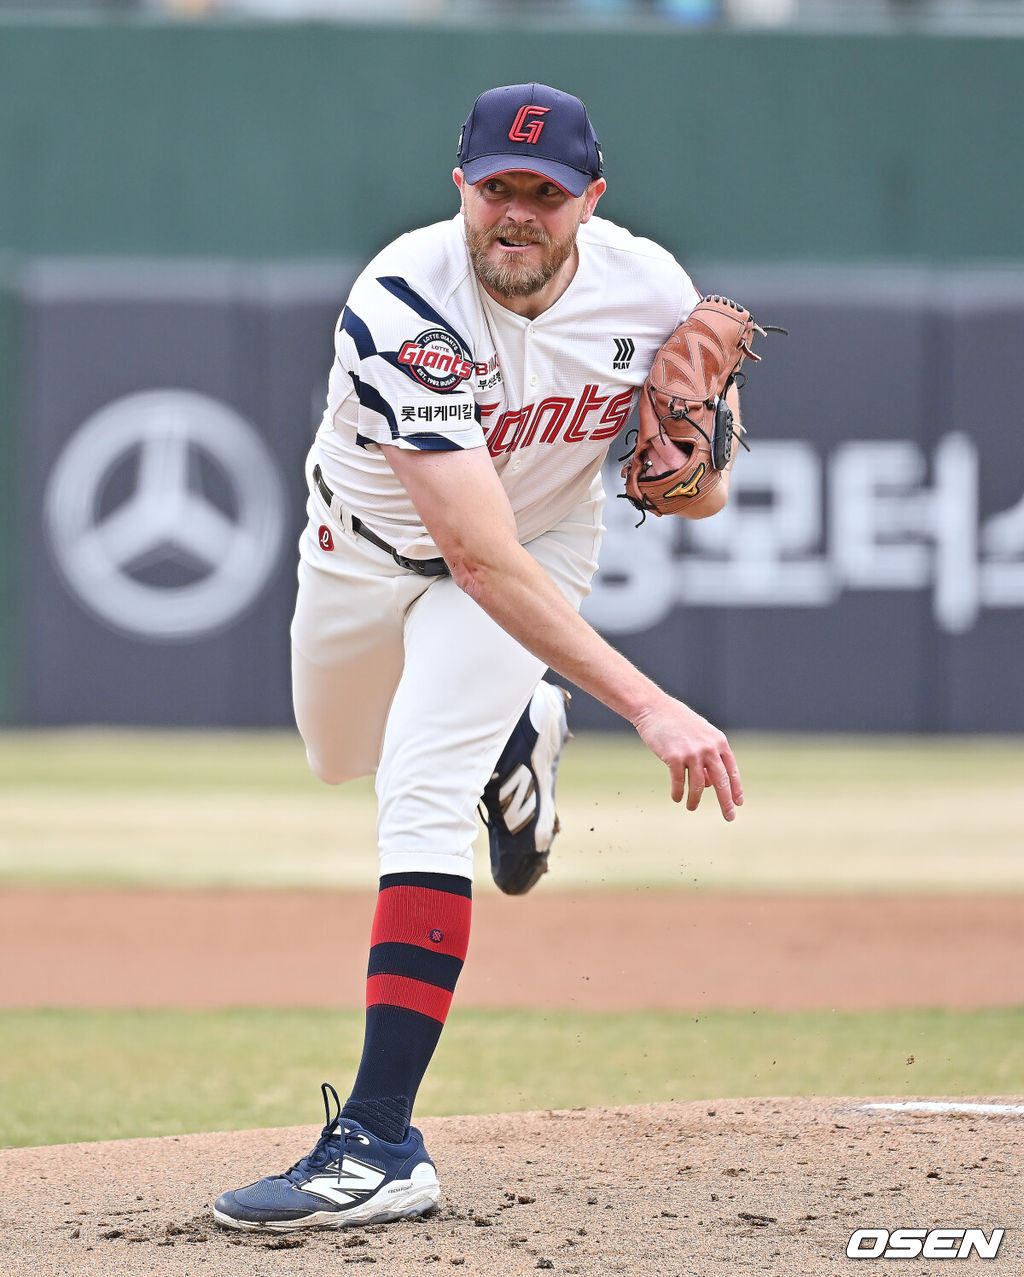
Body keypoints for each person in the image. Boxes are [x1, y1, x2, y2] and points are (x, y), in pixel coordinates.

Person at [213, 81, 744, 1234]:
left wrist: (694, 461)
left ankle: (379, 1140)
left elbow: (691, 501)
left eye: (543, 194)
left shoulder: (647, 290)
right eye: (495, 188)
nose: (517, 214)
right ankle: (522, 729)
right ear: (459, 186)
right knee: (335, 752)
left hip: (540, 544)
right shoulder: (405, 299)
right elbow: (470, 547)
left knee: (417, 799)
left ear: (588, 199)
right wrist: (649, 704)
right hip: (362, 554)